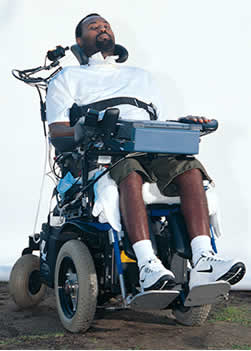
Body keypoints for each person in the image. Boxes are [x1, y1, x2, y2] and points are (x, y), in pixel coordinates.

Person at [46, 13, 245, 291]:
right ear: (80, 41)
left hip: (149, 145)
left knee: (190, 168)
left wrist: (184, 124)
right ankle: (147, 265)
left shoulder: (141, 76)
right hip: (107, 150)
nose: (102, 28)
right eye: (94, 26)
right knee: (130, 172)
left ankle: (203, 259)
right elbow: (58, 133)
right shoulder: (68, 77)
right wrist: (86, 128)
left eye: (106, 25)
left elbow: (158, 121)